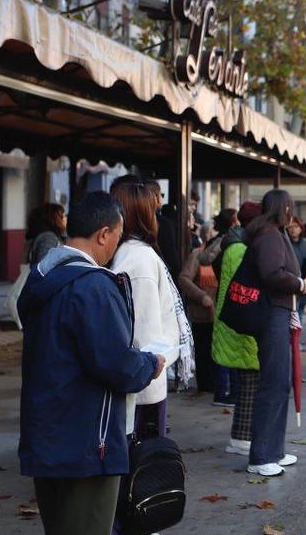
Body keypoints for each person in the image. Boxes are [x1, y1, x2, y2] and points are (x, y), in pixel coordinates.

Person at [18, 191, 164, 535]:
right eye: (117, 235)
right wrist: (150, 363)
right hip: (87, 443)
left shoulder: (44, 277)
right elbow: (119, 366)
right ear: (103, 234)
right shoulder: (93, 286)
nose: (116, 246)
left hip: (48, 436)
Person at [242, 190, 306, 476]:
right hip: (273, 312)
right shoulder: (270, 235)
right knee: (274, 382)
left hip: (278, 311)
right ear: (282, 208)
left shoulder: (272, 232)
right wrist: (300, 285)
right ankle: (260, 456)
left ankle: (274, 450)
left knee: (280, 382)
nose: (291, 213)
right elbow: (272, 273)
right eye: (290, 207)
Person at [110, 182, 189, 440]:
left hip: (141, 376)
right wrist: (150, 370)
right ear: (143, 216)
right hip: (145, 381)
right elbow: (145, 332)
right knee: (144, 458)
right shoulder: (140, 259)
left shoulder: (127, 254)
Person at [208, 203, 262, 459]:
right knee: (249, 384)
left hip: (232, 322)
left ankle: (241, 437)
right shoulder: (240, 249)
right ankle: (241, 438)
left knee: (246, 384)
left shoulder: (231, 245)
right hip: (241, 324)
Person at [178, 223, 227, 403]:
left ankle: (214, 384)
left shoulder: (224, 258)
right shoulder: (197, 255)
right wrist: (201, 296)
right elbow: (184, 279)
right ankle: (206, 385)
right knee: (203, 348)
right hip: (202, 312)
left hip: (219, 311)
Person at [286, 216, 306, 326]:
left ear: (301, 228)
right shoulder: (285, 242)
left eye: (296, 226)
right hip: (290, 282)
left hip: (304, 282)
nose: (293, 229)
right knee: (291, 313)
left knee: (300, 311)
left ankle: (296, 341)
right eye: (290, 227)